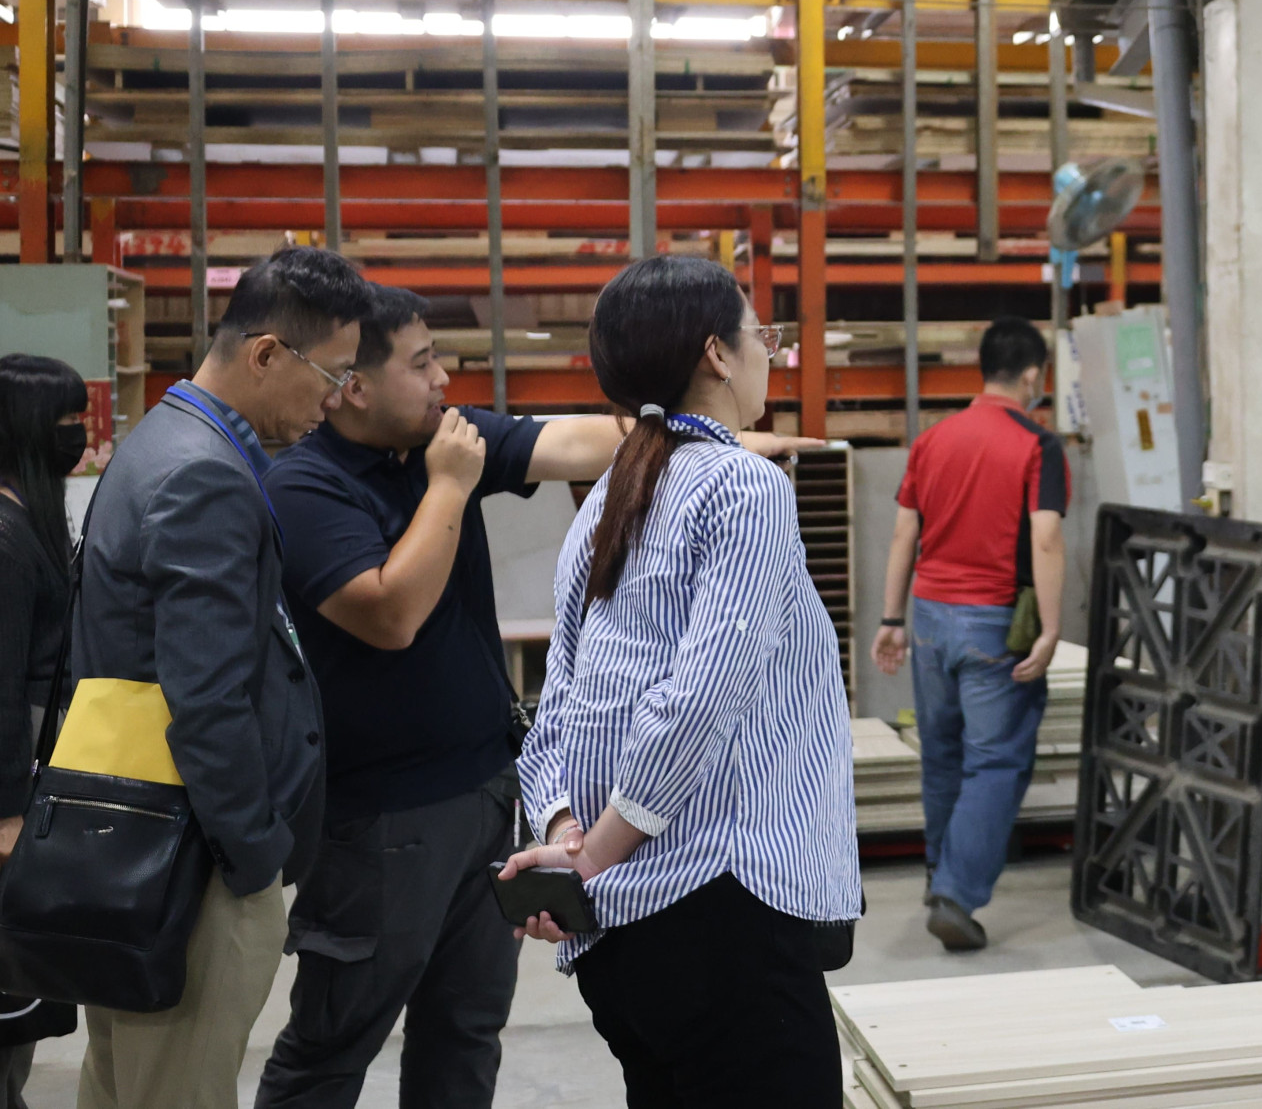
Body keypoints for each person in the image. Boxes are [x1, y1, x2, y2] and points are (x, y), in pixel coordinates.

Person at [254, 285, 820, 1108]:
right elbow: (390, 614)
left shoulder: (454, 439)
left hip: (487, 797)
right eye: (422, 364)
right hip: (381, 821)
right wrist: (450, 486)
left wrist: (708, 439)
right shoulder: (308, 485)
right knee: (335, 1039)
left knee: (466, 1029)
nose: (444, 380)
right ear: (354, 384)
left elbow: (576, 440)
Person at [503, 255, 860, 1109]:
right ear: (716, 354)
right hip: (721, 909)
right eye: (759, 334)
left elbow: (558, 706)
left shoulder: (609, 497)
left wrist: (567, 836)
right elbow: (700, 700)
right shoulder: (744, 487)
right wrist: (593, 854)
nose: (769, 351)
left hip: (621, 930)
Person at [69, 246, 372, 1109]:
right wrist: (250, 855)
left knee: (125, 1083)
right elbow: (206, 695)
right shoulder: (204, 473)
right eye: (333, 374)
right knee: (178, 1089)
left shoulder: (164, 438)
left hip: (138, 844)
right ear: (268, 353)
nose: (335, 400)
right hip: (190, 860)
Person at [869, 316, 1068, 952]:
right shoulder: (1038, 444)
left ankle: (940, 874)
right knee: (997, 759)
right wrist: (1052, 628)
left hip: (929, 618)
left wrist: (891, 619)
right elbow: (1045, 536)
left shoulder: (932, 440)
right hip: (992, 622)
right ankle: (955, 895)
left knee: (942, 754)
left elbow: (905, 532)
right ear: (1033, 375)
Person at [0, 355, 89, 1106]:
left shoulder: (30, 519)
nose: (80, 437)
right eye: (66, 422)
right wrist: (6, 814)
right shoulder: (5, 537)